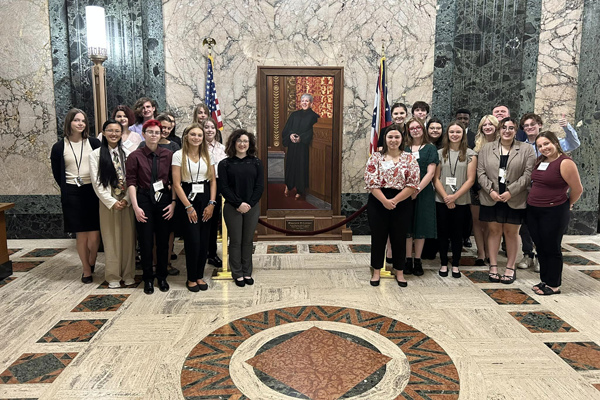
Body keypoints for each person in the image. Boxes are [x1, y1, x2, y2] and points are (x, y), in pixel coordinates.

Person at [516, 112, 581, 272]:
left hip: (551, 196)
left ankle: (540, 257)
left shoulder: (553, 145)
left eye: (533, 124)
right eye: (526, 126)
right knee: (527, 227)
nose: (530, 128)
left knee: (548, 233)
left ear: (540, 125)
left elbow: (574, 143)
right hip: (529, 192)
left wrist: (566, 127)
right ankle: (527, 254)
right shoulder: (521, 146)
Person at [477, 117, 535, 284]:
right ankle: (493, 266)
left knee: (511, 233)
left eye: (511, 128)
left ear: (516, 131)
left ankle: (510, 267)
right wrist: (491, 191)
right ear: (499, 130)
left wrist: (511, 191)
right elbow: (480, 173)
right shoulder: (487, 148)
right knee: (494, 231)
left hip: (515, 198)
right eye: (504, 127)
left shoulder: (526, 149)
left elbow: (528, 174)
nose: (507, 131)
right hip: (491, 197)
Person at [364, 124, 419, 287]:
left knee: (399, 238)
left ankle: (400, 271)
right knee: (378, 237)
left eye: (396, 137)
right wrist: (385, 201)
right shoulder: (375, 157)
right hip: (378, 200)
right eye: (390, 137)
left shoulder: (409, 158)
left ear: (402, 139)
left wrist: (395, 201)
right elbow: (371, 182)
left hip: (401, 201)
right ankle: (376, 271)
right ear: (385, 139)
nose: (393, 140)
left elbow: (413, 183)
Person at [528, 131, 583, 296]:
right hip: (533, 210)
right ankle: (545, 279)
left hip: (554, 211)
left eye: (546, 144)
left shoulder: (565, 162)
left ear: (555, 142)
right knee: (541, 247)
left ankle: (553, 285)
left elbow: (578, 189)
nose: (544, 148)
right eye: (540, 146)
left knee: (552, 247)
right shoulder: (541, 161)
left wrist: (567, 204)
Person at [50, 109, 101, 284]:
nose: (80, 124)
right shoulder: (59, 146)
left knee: (94, 235)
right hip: (72, 193)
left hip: (92, 191)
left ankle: (92, 259)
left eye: (83, 121)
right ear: (69, 123)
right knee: (81, 234)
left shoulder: (94, 143)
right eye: (76, 120)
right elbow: (58, 173)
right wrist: (68, 188)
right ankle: (86, 269)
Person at [126, 120, 176, 294]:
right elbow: (131, 182)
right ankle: (148, 278)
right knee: (146, 241)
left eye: (157, 132)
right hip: (144, 199)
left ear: (161, 134)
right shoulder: (135, 156)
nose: (154, 135)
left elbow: (174, 181)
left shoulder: (168, 155)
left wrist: (173, 203)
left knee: (163, 242)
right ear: (144, 134)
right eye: (150, 132)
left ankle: (162, 277)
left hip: (164, 200)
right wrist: (135, 206)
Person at [89, 119, 136, 288]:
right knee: (110, 240)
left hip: (127, 202)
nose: (114, 134)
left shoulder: (128, 154)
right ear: (103, 132)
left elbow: (133, 179)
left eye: (117, 131)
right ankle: (113, 275)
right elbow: (97, 183)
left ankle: (129, 273)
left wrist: (127, 199)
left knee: (128, 240)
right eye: (110, 130)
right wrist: (111, 201)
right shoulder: (95, 155)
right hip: (108, 203)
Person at [172, 124, 217, 292]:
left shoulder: (208, 154)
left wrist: (212, 203)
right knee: (193, 241)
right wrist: (188, 207)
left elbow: (213, 181)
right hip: (187, 197)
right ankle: (191, 278)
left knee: (204, 240)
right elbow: (176, 184)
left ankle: (200, 276)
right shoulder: (178, 155)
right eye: (193, 134)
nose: (196, 137)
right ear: (186, 136)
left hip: (205, 197)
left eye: (199, 135)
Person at [218, 129, 264, 287]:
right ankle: (237, 273)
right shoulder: (224, 164)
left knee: (248, 241)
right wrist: (238, 204)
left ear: (250, 144)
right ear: (233, 143)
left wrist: (249, 204)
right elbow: (223, 187)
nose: (242, 144)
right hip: (232, 207)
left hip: (252, 206)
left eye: (245, 141)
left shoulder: (256, 162)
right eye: (239, 141)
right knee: (235, 241)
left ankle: (247, 272)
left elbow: (259, 186)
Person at [433, 121, 476, 278]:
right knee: (443, 233)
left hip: (461, 201)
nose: (455, 135)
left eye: (458, 132)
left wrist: (454, 197)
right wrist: (446, 197)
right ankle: (444, 264)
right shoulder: (439, 153)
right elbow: (435, 178)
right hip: (441, 199)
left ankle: (456, 264)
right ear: (447, 134)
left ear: (463, 134)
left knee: (458, 234)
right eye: (452, 132)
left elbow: (471, 180)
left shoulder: (471, 154)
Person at [403, 118, 439, 276]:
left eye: (418, 127)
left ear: (423, 129)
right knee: (407, 227)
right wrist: (408, 190)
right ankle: (407, 259)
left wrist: (416, 189)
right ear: (408, 130)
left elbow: (431, 173)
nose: (415, 130)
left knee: (421, 226)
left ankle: (417, 260)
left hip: (423, 192)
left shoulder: (430, 148)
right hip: (405, 192)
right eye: (412, 128)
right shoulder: (404, 148)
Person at [471, 115, 500, 265]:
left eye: (490, 124)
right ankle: (481, 253)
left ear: (496, 126)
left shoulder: (503, 144)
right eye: (484, 125)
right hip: (476, 189)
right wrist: (477, 186)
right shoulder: (477, 145)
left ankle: (490, 251)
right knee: (477, 222)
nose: (487, 127)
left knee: (490, 222)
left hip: (494, 190)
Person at [282, 93, 319, 199]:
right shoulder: (294, 115)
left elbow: (312, 132)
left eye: (307, 101)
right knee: (290, 166)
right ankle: (288, 186)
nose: (304, 103)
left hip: (304, 147)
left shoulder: (315, 117)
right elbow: (287, 129)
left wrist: (301, 138)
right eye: (303, 101)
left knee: (301, 168)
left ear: (311, 103)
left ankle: (300, 190)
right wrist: (290, 135)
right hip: (292, 146)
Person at [204, 118, 228, 269]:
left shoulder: (222, 148)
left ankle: (212, 253)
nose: (210, 130)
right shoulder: (196, 146)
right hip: (201, 185)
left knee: (213, 222)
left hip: (217, 185)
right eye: (206, 127)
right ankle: (200, 252)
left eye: (212, 127)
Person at [455, 108, 474, 248]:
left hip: (469, 180)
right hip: (452, 179)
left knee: (467, 213)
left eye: (465, 118)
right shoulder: (449, 135)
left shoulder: (474, 137)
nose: (462, 121)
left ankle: (466, 236)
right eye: (460, 118)